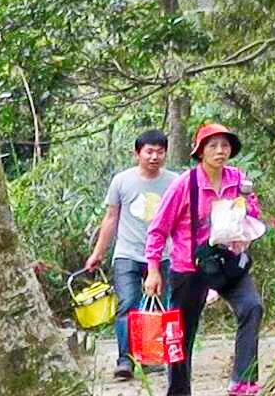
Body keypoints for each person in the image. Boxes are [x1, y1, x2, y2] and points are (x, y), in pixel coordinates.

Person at [143, 123, 265, 396]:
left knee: (252, 307)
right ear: (200, 152)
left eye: (225, 145)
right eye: (213, 146)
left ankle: (243, 381)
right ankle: (178, 391)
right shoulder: (184, 184)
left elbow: (254, 212)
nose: (220, 151)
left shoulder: (237, 179)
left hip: (229, 261)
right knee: (181, 333)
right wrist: (153, 269)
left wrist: (247, 204)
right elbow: (158, 229)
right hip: (189, 267)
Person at [85, 128, 175, 381]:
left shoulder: (173, 182)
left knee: (161, 306)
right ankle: (125, 360)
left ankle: (150, 356)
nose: (154, 156)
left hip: (163, 255)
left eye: (159, 151)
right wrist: (98, 253)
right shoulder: (122, 181)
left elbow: (181, 221)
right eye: (149, 151)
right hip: (127, 253)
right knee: (127, 304)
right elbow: (111, 218)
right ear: (138, 153)